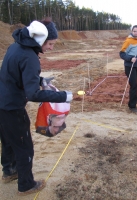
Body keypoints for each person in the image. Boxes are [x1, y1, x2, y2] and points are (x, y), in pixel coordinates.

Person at [0, 18, 73, 195]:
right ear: (41, 40)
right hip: (12, 107)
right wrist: (64, 96)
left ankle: (9, 171)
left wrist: (39, 80)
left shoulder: (16, 46)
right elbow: (33, 94)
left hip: (2, 101)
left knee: (9, 140)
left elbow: (15, 73)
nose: (51, 48)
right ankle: (26, 185)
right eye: (51, 44)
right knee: (24, 146)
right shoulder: (30, 57)